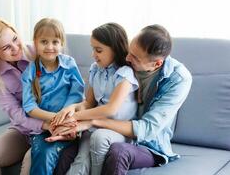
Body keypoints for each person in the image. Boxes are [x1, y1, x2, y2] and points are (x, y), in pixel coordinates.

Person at [55, 24, 192, 175]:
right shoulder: (121, 64)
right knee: (68, 152)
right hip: (110, 130)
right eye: (129, 51)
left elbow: (147, 129)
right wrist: (73, 115)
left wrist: (93, 122)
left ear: (156, 64)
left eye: (134, 57)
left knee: (118, 152)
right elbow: (92, 100)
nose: (127, 58)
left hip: (147, 144)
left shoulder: (178, 79)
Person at [49, 23, 139, 175]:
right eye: (93, 49)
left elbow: (111, 109)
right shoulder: (95, 69)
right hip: (95, 125)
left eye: (98, 50)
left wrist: (75, 117)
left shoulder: (125, 74)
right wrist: (71, 109)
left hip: (118, 129)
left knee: (98, 137)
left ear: (115, 49)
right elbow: (89, 103)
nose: (93, 55)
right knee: (80, 161)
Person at [0, 17, 45, 175]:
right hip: (24, 129)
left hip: (51, 125)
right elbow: (15, 113)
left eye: (15, 39)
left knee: (32, 159)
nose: (16, 48)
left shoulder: (38, 53)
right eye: (7, 47)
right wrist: (42, 125)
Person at [21, 18, 85, 175]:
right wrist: (55, 119)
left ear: (61, 43)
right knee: (43, 153)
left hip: (69, 121)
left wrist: (64, 119)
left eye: (55, 42)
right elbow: (29, 107)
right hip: (43, 127)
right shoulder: (29, 72)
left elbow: (76, 94)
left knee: (63, 144)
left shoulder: (69, 64)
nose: (50, 47)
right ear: (35, 42)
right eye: (44, 41)